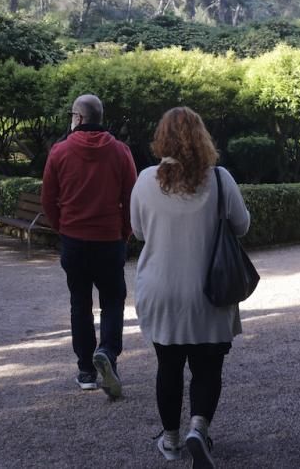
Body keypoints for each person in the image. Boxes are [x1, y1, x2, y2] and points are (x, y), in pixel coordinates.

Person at [130, 107, 250, 468]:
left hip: (161, 290)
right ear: (202, 137)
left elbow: (137, 232)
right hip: (209, 292)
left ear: (161, 138)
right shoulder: (221, 179)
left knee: (168, 367)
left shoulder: (145, 180)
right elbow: (242, 226)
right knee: (207, 368)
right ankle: (198, 429)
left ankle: (170, 441)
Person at [41, 94, 137, 399]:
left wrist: (63, 228)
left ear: (79, 118)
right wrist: (124, 232)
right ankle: (108, 352)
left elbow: (48, 199)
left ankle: (85, 370)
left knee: (79, 304)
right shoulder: (121, 152)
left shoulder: (59, 151)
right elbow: (131, 199)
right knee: (112, 300)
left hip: (74, 241)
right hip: (109, 240)